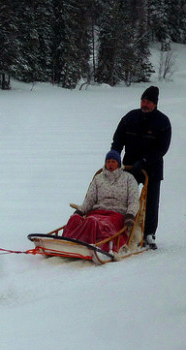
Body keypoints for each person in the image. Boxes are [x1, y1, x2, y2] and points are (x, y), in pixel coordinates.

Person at [110, 86, 172, 250]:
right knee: (124, 197)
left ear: (155, 104)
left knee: (151, 201)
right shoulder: (130, 118)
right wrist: (114, 157)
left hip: (151, 167)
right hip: (130, 165)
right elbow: (118, 140)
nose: (145, 104)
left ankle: (149, 234)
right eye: (143, 101)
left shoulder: (162, 122)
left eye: (149, 102)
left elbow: (162, 148)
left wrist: (145, 161)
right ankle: (119, 228)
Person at [62, 150, 139, 253]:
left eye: (113, 161)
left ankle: (94, 245)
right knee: (75, 219)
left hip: (116, 215)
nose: (110, 164)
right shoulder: (99, 178)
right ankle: (66, 243)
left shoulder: (128, 179)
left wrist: (130, 214)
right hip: (97, 212)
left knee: (92, 222)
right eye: (108, 161)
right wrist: (80, 211)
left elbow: (133, 200)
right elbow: (90, 199)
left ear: (119, 164)